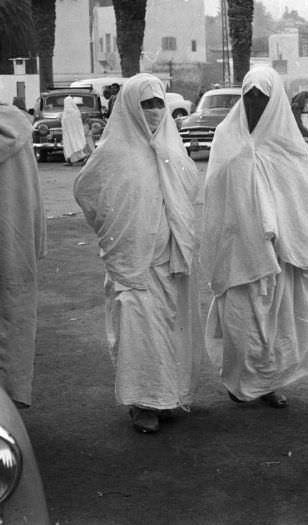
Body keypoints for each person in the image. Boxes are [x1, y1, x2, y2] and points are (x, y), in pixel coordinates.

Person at [73, 74, 204, 434]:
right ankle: (143, 402)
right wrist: (111, 228)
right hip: (130, 260)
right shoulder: (113, 152)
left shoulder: (173, 149)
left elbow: (190, 191)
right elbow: (87, 191)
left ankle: (168, 395)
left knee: (169, 328)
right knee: (136, 329)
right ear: (131, 105)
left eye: (159, 103)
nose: (155, 111)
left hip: (169, 258)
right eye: (146, 104)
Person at [201, 67, 308, 409]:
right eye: (250, 96)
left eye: (262, 97)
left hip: (283, 254)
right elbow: (214, 191)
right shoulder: (227, 136)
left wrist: (289, 233)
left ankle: (269, 383)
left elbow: (305, 195)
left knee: (278, 322)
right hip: (240, 250)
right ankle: (240, 381)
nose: (255, 103)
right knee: (243, 321)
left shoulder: (290, 144)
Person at [0, 104, 47, 408]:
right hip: (12, 242)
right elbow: (33, 193)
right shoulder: (18, 124)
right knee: (11, 317)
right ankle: (9, 403)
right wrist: (37, 240)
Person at [290, 90, 308, 168]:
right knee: (307, 147)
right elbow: (297, 120)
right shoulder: (296, 106)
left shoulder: (305, 106)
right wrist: (304, 130)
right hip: (304, 130)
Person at [61, 96, 90, 165]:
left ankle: (74, 160)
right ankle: (72, 160)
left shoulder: (66, 113)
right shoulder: (76, 112)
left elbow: (64, 123)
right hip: (76, 134)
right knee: (78, 145)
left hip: (69, 134)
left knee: (71, 146)